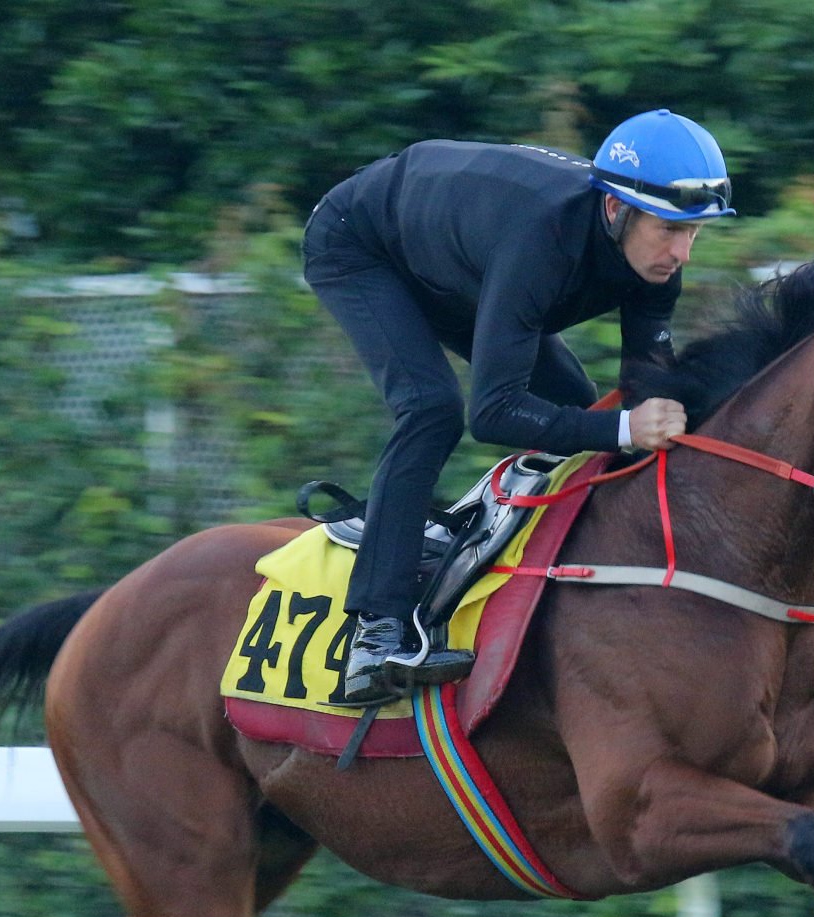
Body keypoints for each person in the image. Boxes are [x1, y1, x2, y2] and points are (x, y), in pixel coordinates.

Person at [302, 109, 737, 705]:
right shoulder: (541, 239)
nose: (682, 253)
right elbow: (495, 413)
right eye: (669, 229)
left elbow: (646, 392)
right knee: (433, 409)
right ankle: (374, 636)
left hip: (453, 254)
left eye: (695, 233)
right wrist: (625, 426)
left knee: (580, 420)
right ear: (617, 209)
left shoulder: (653, 264)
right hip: (362, 242)